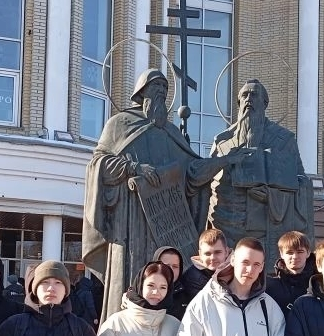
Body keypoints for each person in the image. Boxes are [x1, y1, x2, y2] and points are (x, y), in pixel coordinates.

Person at [83, 68, 238, 319]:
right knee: (131, 276)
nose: (161, 94)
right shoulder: (120, 124)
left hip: (167, 220)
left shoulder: (171, 132)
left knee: (170, 278)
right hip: (132, 221)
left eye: (165, 90)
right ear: (141, 92)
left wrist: (224, 161)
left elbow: (192, 173)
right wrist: (133, 168)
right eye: (156, 88)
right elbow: (99, 163)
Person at [208, 80, 314, 260]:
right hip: (225, 224)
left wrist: (273, 196)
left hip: (265, 227)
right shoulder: (222, 141)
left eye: (254, 95)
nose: (249, 99)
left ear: (265, 104)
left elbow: (302, 183)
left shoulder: (283, 139)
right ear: (239, 103)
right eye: (244, 95)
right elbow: (207, 180)